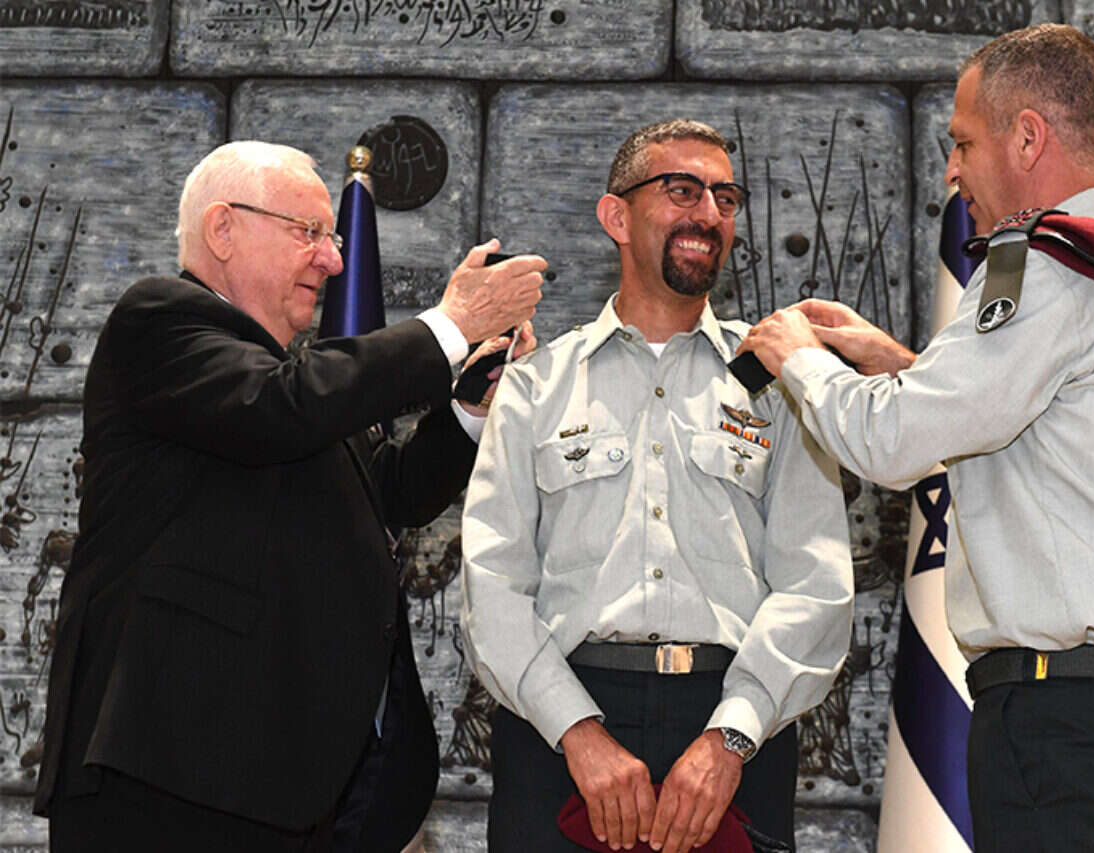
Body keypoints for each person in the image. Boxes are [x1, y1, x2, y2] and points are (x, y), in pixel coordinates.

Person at [738, 24, 1094, 853]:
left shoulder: (1047, 262)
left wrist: (796, 358)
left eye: (962, 142)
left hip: (1074, 730)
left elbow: (892, 443)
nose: (952, 170)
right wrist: (902, 363)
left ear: (1028, 137)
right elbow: (1047, 433)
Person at [33, 140, 545, 852]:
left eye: (334, 238)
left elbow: (389, 492)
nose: (333, 261)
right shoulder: (159, 319)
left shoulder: (296, 381)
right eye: (309, 232)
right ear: (223, 229)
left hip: (282, 784)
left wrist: (468, 409)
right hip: (170, 775)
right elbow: (279, 408)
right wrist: (451, 323)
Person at [460, 119, 854, 853]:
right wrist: (578, 733)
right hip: (560, 731)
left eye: (725, 198)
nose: (708, 213)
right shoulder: (537, 385)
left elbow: (816, 581)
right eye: (681, 191)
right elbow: (493, 584)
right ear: (616, 215)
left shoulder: (779, 383)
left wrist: (730, 739)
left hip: (734, 731)